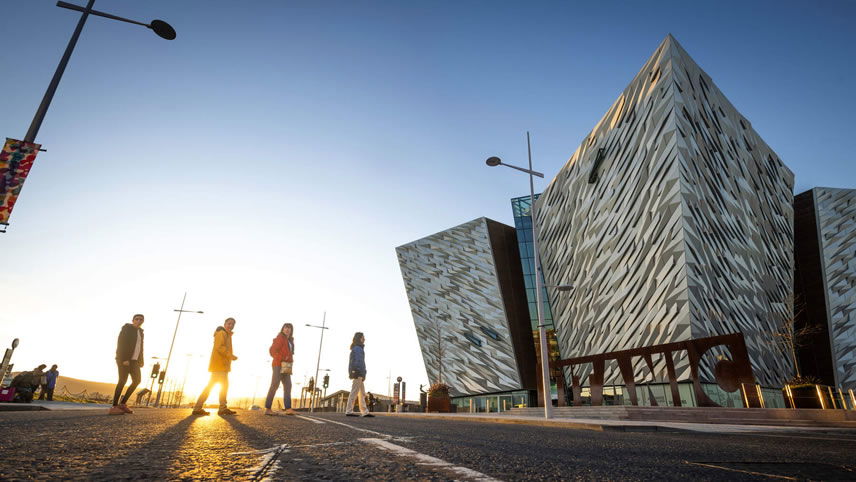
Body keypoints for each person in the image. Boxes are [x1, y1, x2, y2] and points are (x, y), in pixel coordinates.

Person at [193, 318, 238, 416]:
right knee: (220, 386)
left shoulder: (227, 334)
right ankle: (221, 408)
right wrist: (231, 356)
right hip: (219, 365)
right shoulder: (222, 333)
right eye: (229, 323)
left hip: (221, 365)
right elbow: (219, 347)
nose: (231, 325)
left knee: (215, 386)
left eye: (233, 324)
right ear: (225, 324)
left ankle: (198, 408)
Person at [110, 314, 145, 415]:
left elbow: (140, 347)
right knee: (122, 381)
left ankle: (123, 404)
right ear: (133, 320)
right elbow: (121, 343)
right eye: (137, 319)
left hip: (135, 361)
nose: (139, 321)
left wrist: (141, 360)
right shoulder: (127, 329)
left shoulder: (141, 332)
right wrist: (124, 358)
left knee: (137, 380)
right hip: (124, 359)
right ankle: (114, 406)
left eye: (141, 319)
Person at [264, 323, 296, 416]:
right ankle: (268, 408)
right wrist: (281, 357)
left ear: (291, 330)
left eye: (289, 328)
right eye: (286, 327)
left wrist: (288, 360)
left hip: (286, 366)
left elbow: (290, 353)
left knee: (288, 386)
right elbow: (272, 350)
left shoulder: (290, 340)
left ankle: (288, 408)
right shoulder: (280, 337)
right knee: (275, 384)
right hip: (278, 364)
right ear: (282, 329)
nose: (287, 329)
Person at [345, 332, 373, 417]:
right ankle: (349, 411)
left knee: (362, 393)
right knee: (354, 392)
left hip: (359, 372)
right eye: (363, 337)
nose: (364, 339)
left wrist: (363, 374)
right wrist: (359, 372)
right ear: (359, 338)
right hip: (358, 372)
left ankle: (364, 411)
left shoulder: (358, 348)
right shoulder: (358, 348)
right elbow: (358, 362)